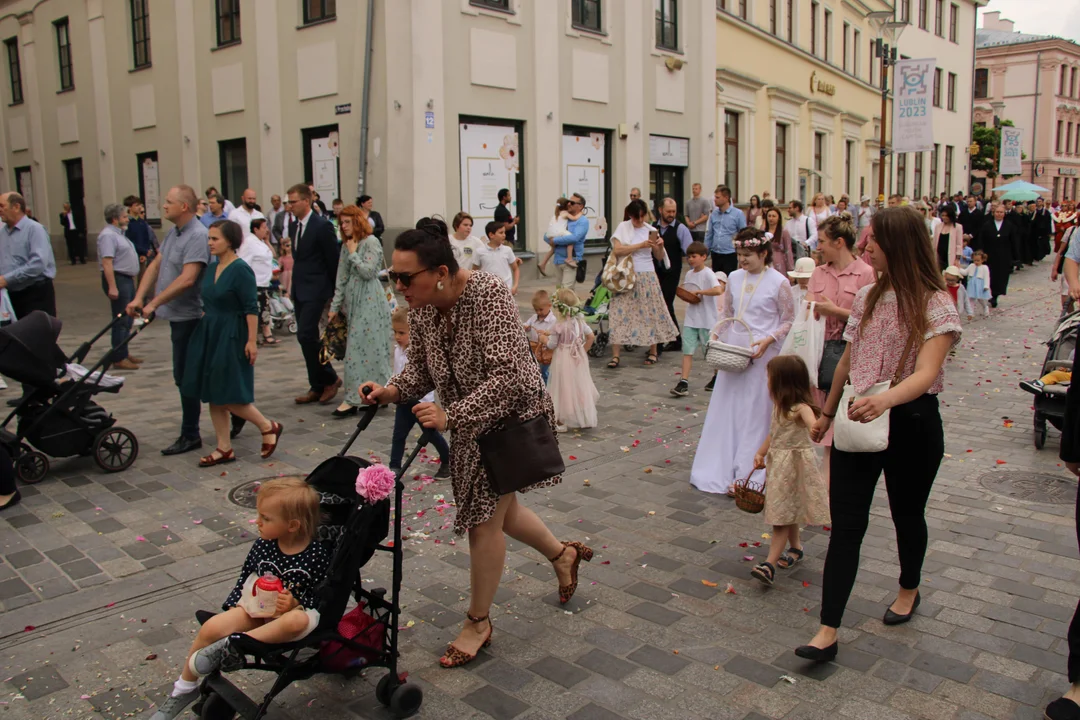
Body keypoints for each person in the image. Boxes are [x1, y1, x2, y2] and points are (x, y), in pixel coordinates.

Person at [360, 218, 592, 669]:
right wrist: (391, 390)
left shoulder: (486, 294)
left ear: (441, 272)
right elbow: (422, 369)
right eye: (394, 276)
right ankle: (563, 555)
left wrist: (451, 416)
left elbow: (507, 376)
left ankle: (478, 622)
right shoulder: (425, 306)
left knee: (485, 521)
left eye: (406, 277)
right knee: (504, 513)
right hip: (467, 424)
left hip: (509, 417)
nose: (399, 286)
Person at [795, 206, 960, 663]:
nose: (866, 247)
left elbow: (926, 374)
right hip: (857, 415)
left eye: (874, 241)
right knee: (847, 526)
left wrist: (885, 401)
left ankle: (910, 588)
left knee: (908, 514)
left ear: (899, 246)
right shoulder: (866, 296)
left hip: (912, 423)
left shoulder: (935, 302)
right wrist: (827, 413)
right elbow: (849, 359)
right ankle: (827, 630)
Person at [148, 477, 330, 720]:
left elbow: (322, 592)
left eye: (266, 518)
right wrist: (233, 606)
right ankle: (184, 688)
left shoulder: (316, 555)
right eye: (259, 516)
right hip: (258, 609)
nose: (258, 522)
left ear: (292, 525)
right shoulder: (263, 546)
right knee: (213, 626)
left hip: (290, 618)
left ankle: (232, 645)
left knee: (295, 620)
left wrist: (296, 602)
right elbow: (245, 576)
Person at [690, 227, 794, 496]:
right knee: (730, 410)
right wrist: (716, 333)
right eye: (739, 254)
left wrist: (769, 339)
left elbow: (788, 320)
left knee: (754, 413)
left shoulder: (779, 282)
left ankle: (749, 471)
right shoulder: (734, 278)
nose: (742, 260)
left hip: (762, 356)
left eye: (747, 254)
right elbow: (728, 312)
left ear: (763, 253)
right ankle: (720, 467)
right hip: (734, 354)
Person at [181, 220, 282, 467]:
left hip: (232, 334)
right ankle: (224, 448)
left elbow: (251, 308)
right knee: (213, 393)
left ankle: (267, 426)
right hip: (211, 332)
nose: (210, 243)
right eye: (209, 238)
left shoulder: (241, 270)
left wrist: (251, 341)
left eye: (215, 238)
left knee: (227, 392)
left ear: (230, 240)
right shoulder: (212, 267)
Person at [127, 186, 209, 455]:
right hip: (177, 317)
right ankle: (232, 413)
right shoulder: (174, 233)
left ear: (184, 206)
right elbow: (155, 265)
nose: (163, 206)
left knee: (188, 377)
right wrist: (140, 298)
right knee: (185, 376)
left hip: (191, 317)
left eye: (168, 202)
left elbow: (188, 279)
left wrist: (154, 303)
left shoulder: (197, 235)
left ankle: (191, 434)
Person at [805, 213, 877, 476]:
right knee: (823, 431)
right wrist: (813, 308)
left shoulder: (866, 275)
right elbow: (810, 311)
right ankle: (826, 493)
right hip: (820, 355)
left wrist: (834, 311)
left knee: (840, 429)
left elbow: (870, 318)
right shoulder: (818, 272)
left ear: (839, 242)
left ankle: (832, 493)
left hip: (849, 357)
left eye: (822, 241)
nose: (818, 247)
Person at [750, 355, 830, 586]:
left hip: (793, 468)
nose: (767, 382)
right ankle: (796, 548)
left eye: (769, 378)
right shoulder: (780, 407)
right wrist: (761, 452)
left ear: (782, 382)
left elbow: (813, 424)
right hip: (779, 467)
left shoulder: (800, 408)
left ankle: (769, 565)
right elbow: (773, 433)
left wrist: (819, 426)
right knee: (788, 508)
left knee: (781, 516)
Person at [327, 205, 392, 418]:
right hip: (353, 302)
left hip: (371, 301)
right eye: (341, 223)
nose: (344, 226)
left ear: (357, 221)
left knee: (366, 350)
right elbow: (341, 277)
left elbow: (369, 272)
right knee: (359, 350)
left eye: (347, 222)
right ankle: (368, 393)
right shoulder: (346, 245)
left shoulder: (371, 242)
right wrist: (335, 307)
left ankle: (358, 398)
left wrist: (354, 254)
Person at [287, 184, 343, 406]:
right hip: (300, 288)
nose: (289, 206)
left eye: (293, 202)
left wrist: (333, 294)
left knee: (306, 335)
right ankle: (317, 384)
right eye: (288, 202)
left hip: (317, 289)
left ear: (306, 201)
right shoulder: (294, 227)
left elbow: (332, 260)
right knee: (304, 337)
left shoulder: (322, 226)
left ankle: (330, 378)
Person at [606, 199, 679, 368]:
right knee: (619, 312)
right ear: (630, 215)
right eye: (636, 218)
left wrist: (659, 246)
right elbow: (617, 250)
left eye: (642, 217)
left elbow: (660, 257)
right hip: (625, 275)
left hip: (647, 274)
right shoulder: (623, 227)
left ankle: (653, 350)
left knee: (650, 312)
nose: (639, 221)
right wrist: (640, 245)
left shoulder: (651, 230)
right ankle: (616, 355)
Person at [388, 307, 450, 479]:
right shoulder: (398, 350)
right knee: (398, 435)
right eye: (395, 332)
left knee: (431, 435)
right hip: (403, 401)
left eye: (402, 332)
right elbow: (396, 374)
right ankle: (394, 468)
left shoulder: (418, 352)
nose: (397, 337)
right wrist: (388, 390)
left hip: (421, 403)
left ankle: (447, 460)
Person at [670, 242, 723, 398]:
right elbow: (688, 292)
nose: (691, 260)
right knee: (687, 351)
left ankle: (717, 377)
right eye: (689, 257)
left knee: (710, 352)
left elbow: (718, 289)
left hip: (707, 319)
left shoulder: (708, 273)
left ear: (703, 257)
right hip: (691, 319)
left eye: (694, 256)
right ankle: (683, 381)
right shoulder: (689, 274)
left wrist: (701, 292)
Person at [97, 203, 142, 371]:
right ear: (115, 219)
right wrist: (112, 286)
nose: (127, 219)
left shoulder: (120, 234)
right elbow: (107, 262)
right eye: (124, 216)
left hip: (127, 278)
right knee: (121, 319)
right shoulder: (108, 235)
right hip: (118, 278)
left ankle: (124, 350)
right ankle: (118, 356)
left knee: (129, 317)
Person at [546, 287, 598, 432]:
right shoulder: (580, 321)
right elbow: (591, 336)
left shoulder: (558, 325)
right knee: (579, 385)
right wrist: (583, 351)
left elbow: (552, 344)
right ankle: (585, 417)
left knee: (562, 387)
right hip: (578, 358)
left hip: (563, 358)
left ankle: (561, 421)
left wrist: (544, 339)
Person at [0, 193, 57, 320]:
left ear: (16, 207)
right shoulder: (2, 233)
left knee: (37, 336)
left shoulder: (35, 229)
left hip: (35, 294)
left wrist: (6, 279)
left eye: (2, 206)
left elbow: (38, 264)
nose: (0, 210)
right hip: (11, 295)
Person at [655, 197, 694, 351]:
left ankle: (661, 342)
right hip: (656, 271)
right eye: (668, 211)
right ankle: (675, 339)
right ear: (660, 210)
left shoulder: (680, 228)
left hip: (672, 272)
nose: (671, 214)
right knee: (662, 304)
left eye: (673, 211)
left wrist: (695, 272)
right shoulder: (653, 228)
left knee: (665, 302)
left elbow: (690, 251)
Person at [971, 203, 1015, 308]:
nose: (999, 214)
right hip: (990, 255)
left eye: (1001, 212)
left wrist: (1014, 257)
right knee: (990, 275)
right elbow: (981, 239)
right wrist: (981, 252)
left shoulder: (1009, 225)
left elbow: (1013, 241)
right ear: (993, 213)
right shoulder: (987, 225)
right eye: (997, 212)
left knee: (1000, 277)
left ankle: (996, 295)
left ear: (1004, 214)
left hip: (1003, 255)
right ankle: (990, 294)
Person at [242, 218, 278, 346]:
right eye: (264, 227)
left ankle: (266, 333)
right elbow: (244, 262)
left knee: (264, 308)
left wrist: (267, 241)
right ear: (255, 229)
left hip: (264, 281)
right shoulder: (249, 243)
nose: (266, 230)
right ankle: (257, 336)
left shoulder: (261, 242)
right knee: (257, 309)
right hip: (255, 282)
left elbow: (273, 256)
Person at [547, 195, 589, 287]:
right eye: (568, 202)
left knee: (566, 292)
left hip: (571, 261)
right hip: (558, 260)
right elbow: (546, 237)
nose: (569, 204)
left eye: (572, 203)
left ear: (581, 206)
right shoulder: (563, 217)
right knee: (559, 292)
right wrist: (553, 239)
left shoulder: (582, 221)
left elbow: (574, 238)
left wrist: (555, 240)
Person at [703, 185, 745, 275]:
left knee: (729, 280)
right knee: (717, 280)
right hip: (716, 253)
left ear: (726, 198)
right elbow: (710, 234)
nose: (715, 200)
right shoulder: (714, 214)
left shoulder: (738, 214)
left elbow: (743, 234)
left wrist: (742, 254)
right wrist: (705, 251)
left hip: (730, 254)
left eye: (717, 197)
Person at [476, 222, 520, 294]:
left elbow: (515, 268)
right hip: (486, 291)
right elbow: (474, 272)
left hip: (506, 290)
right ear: (491, 235)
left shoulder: (507, 250)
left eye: (504, 233)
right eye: (501, 233)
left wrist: (515, 286)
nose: (504, 235)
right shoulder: (480, 251)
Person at [525, 289, 557, 383]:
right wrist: (526, 327)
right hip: (535, 347)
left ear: (549, 306)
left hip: (546, 350)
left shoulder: (553, 320)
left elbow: (555, 334)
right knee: (534, 369)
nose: (538, 312)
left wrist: (547, 333)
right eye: (536, 310)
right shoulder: (534, 318)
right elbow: (527, 324)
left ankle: (547, 388)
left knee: (544, 370)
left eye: (541, 309)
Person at [123, 195, 157, 283]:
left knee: (143, 279)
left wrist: (146, 252)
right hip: (132, 254)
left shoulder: (142, 222)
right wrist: (142, 251)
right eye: (136, 205)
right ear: (130, 207)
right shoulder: (128, 223)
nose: (139, 208)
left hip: (143, 254)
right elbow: (128, 240)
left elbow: (146, 237)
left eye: (140, 205)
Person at [765, 207, 793, 277]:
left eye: (774, 216)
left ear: (779, 218)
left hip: (779, 261)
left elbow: (788, 250)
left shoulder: (784, 232)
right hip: (766, 261)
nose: (771, 218)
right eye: (769, 216)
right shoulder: (763, 231)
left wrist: (790, 269)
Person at [934, 205, 963, 271]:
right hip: (939, 257)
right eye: (943, 215)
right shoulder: (938, 226)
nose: (944, 217)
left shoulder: (958, 227)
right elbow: (935, 243)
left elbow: (959, 244)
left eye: (946, 216)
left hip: (950, 257)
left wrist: (957, 259)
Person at [965, 251, 991, 318]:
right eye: (975, 260)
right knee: (971, 298)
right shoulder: (971, 266)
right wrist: (958, 269)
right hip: (972, 284)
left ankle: (985, 307)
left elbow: (986, 277)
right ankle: (971, 312)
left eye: (978, 260)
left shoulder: (984, 267)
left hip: (980, 284)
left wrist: (986, 285)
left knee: (981, 298)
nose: (976, 262)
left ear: (982, 260)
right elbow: (965, 272)